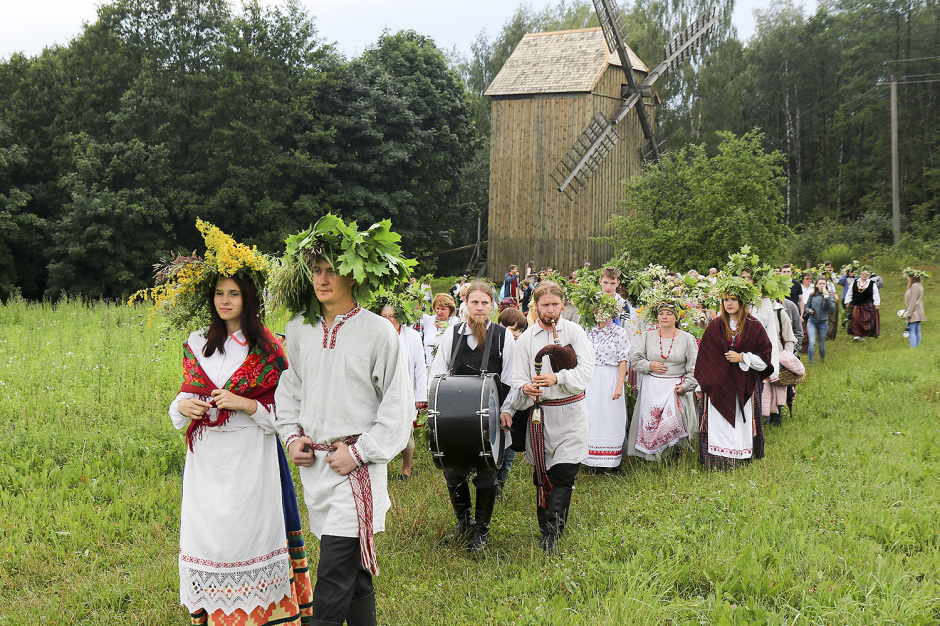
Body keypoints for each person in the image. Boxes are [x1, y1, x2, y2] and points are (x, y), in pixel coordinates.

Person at [157, 221, 313, 625]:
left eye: (234, 294)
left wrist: (245, 403)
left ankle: (262, 615)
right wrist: (183, 408)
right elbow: (184, 396)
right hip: (206, 461)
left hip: (250, 458)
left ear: (248, 298)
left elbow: (287, 416)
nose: (225, 300)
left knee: (248, 536)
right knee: (209, 539)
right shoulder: (197, 343)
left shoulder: (269, 348)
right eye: (219, 293)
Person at [272, 215, 414, 626]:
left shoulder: (377, 332)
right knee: (355, 577)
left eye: (332, 270)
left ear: (353, 274)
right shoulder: (298, 328)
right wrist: (293, 436)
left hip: (356, 471)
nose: (322, 278)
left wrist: (360, 452)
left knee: (333, 576)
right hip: (317, 468)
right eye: (316, 270)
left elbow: (398, 405)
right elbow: (291, 388)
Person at [429, 281, 518, 551]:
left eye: (485, 303)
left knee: (487, 474)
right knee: (453, 471)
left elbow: (512, 379)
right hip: (454, 417)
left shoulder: (504, 336)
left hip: (491, 418)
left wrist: (506, 410)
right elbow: (437, 372)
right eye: (474, 302)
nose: (479, 308)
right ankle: (463, 522)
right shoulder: (453, 334)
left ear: (492, 306)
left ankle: (481, 531)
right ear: (466, 304)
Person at [507, 281, 595, 553]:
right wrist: (525, 387)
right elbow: (516, 376)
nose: (550, 310)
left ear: (562, 305)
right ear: (534, 306)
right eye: (545, 305)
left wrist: (558, 377)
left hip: (571, 412)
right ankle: (545, 528)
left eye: (555, 305)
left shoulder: (575, 332)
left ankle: (553, 534)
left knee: (565, 472)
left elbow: (587, 372)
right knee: (542, 474)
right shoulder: (525, 339)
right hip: (540, 416)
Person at [694, 276, 773, 470]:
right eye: (725, 299)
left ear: (742, 302)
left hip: (742, 385)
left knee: (739, 419)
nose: (729, 303)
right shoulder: (715, 326)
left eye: (733, 299)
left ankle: (738, 457)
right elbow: (705, 358)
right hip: (718, 385)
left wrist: (743, 358)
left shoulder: (754, 326)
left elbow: (764, 359)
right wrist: (700, 385)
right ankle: (718, 461)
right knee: (719, 422)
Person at [626, 304, 699, 462]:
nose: (664, 317)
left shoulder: (687, 339)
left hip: (675, 387)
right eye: (661, 314)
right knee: (652, 423)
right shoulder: (648, 336)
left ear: (677, 317)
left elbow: (695, 368)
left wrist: (685, 386)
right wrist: (650, 366)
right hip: (652, 389)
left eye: (669, 314)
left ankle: (677, 457)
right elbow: (635, 360)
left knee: (676, 421)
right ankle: (652, 457)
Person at [581, 294, 631, 472]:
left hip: (611, 377)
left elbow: (623, 359)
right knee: (592, 416)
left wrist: (619, 385)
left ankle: (612, 461)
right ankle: (592, 460)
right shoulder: (589, 331)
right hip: (593, 378)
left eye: (605, 310)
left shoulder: (619, 332)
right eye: (597, 309)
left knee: (611, 417)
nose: (600, 313)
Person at [379, 302, 428, 480]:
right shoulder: (377, 336)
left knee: (406, 434)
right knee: (380, 432)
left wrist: (420, 396)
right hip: (381, 394)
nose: (387, 320)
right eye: (383, 317)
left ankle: (406, 468)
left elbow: (419, 367)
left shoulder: (412, 336)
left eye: (391, 316)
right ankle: (380, 469)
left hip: (405, 393)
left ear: (399, 318)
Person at [420, 294, 458, 367]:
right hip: (428, 367)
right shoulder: (428, 320)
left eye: (443, 309)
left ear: (450, 309)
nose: (439, 311)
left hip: (446, 368)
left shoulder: (455, 323)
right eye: (437, 308)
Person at [804, 276, 836, 363]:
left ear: (826, 285)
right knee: (811, 342)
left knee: (821, 344)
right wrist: (808, 310)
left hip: (823, 323)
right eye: (820, 284)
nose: (822, 285)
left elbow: (832, 309)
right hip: (812, 322)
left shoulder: (829, 295)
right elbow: (807, 306)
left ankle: (822, 360)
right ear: (816, 285)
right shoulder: (812, 295)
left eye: (823, 284)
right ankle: (811, 362)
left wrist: (828, 298)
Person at [845, 268, 880, 341]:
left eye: (866, 274)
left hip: (866, 305)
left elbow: (876, 294)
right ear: (860, 275)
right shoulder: (855, 282)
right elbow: (850, 293)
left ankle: (863, 335)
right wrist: (848, 302)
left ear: (868, 275)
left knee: (865, 320)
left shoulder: (871, 283)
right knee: (855, 319)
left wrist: (876, 304)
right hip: (856, 304)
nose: (864, 276)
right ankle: (856, 335)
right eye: (863, 274)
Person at [903, 268, 926, 348]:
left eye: (909, 276)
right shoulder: (918, 286)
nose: (908, 278)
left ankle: (914, 347)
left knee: (912, 329)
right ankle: (917, 347)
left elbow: (913, 300)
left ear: (912, 278)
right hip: (917, 309)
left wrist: (909, 312)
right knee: (917, 329)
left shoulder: (915, 286)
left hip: (914, 310)